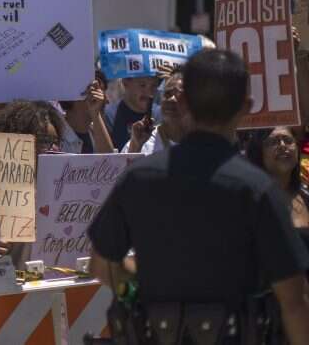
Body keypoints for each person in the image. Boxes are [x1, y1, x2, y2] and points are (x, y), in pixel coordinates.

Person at [88, 49, 309, 344]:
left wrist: (152, 277)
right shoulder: (257, 189)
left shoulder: (138, 178)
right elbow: (293, 300)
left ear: (185, 102)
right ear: (246, 107)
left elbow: (102, 267)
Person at [246, 127, 309, 245]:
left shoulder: (305, 196)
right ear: (259, 153)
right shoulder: (249, 201)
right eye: (273, 142)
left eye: (288, 140)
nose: (282, 145)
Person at [121, 69, 187, 154]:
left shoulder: (204, 142)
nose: (172, 99)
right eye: (167, 94)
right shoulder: (141, 143)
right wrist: (136, 147)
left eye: (179, 95)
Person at [58, 75, 114, 154]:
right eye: (98, 92)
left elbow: (109, 160)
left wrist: (95, 113)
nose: (106, 100)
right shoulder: (56, 135)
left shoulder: (97, 132)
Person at [103, 75, 157, 151]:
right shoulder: (108, 115)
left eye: (153, 86)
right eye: (142, 85)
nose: (149, 93)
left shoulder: (161, 114)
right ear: (125, 83)